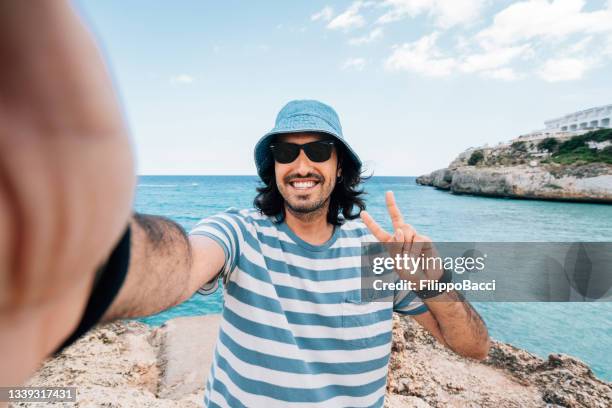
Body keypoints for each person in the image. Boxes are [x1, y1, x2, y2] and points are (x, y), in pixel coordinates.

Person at [0, 2, 490, 406]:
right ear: (270, 167)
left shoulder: (380, 257)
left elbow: (472, 348)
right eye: (285, 151)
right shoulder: (241, 231)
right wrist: (84, 257)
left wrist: (433, 281)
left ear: (340, 167)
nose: (301, 164)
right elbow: (184, 263)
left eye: (318, 151)